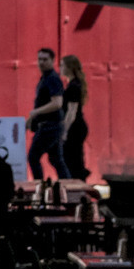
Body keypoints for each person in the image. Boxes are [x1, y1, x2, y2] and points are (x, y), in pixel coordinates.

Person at [27, 45, 66, 182]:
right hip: (50, 125)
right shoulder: (45, 78)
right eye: (39, 59)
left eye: (45, 59)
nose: (41, 62)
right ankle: (69, 186)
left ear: (53, 61)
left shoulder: (52, 78)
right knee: (56, 159)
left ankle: (40, 186)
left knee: (33, 157)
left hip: (50, 126)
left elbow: (57, 103)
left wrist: (36, 112)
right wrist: (32, 119)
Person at [61, 52, 90, 182]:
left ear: (69, 67)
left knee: (73, 161)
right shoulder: (73, 85)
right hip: (76, 127)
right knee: (74, 159)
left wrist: (64, 131)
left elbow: (71, 112)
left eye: (62, 65)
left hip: (75, 128)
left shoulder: (74, 86)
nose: (60, 68)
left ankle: (79, 186)